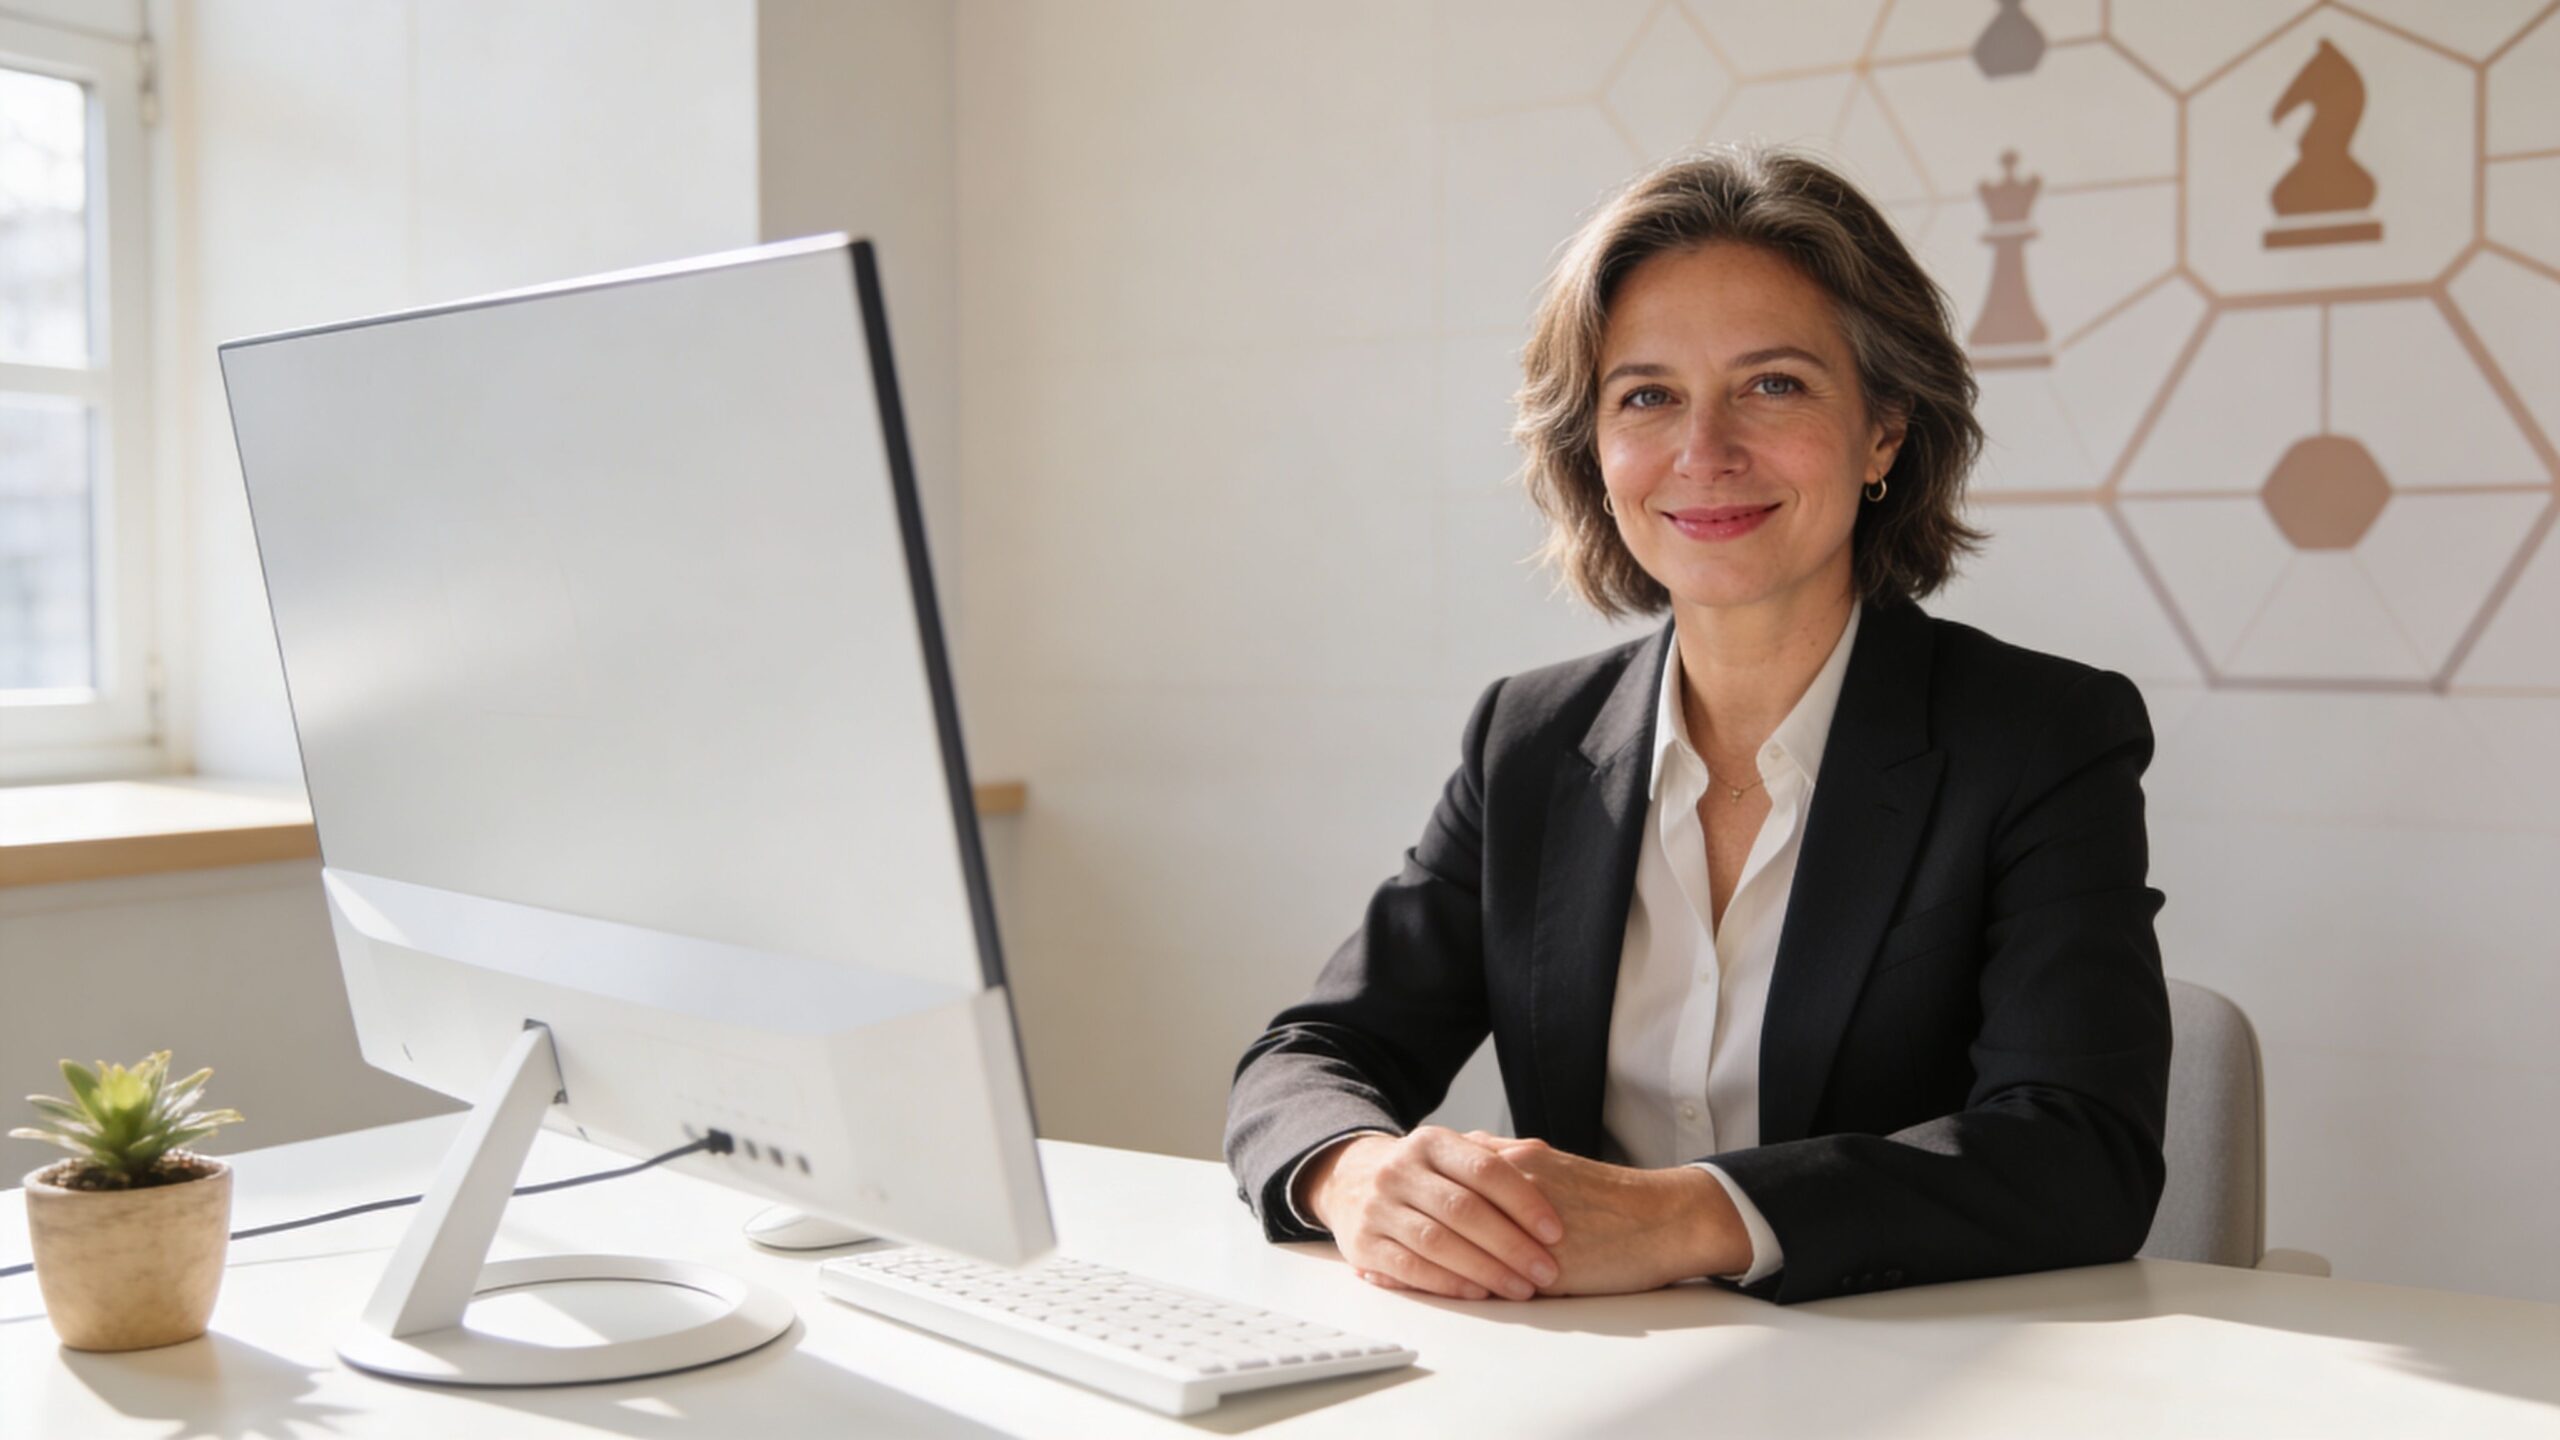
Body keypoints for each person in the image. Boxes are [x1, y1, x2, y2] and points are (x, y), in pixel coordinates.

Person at [1222, 146, 2171, 1307]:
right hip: (1580, 1376)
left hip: (1905, 1377)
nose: (1702, 452)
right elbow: (1308, 1060)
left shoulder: (2042, 737)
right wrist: (1354, 1173)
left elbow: (2081, 1154)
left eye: (1772, 384)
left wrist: (1685, 1216)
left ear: (1883, 431)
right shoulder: (1527, 740)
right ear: (1594, 451)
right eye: (1646, 396)